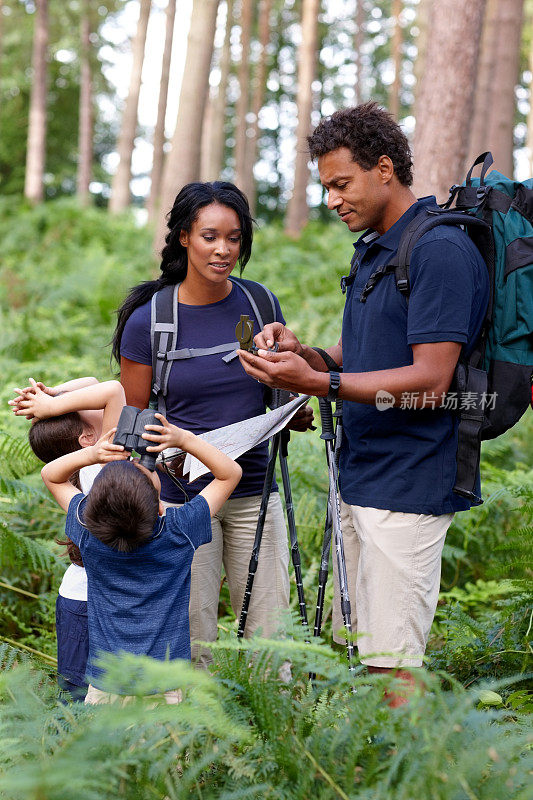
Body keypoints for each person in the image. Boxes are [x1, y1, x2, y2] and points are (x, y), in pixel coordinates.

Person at [238, 102, 490, 706]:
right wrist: (307, 356)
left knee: (394, 666)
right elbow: (366, 352)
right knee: (368, 652)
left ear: (384, 169)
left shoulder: (440, 251)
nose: (331, 199)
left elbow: (431, 380)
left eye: (340, 183)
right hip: (364, 474)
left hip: (410, 483)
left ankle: (411, 774)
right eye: (324, 186)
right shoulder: (380, 249)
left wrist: (315, 385)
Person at [112, 181, 312, 665]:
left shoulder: (260, 303)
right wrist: (143, 490)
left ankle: (275, 734)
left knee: (270, 638)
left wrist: (293, 410)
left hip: (255, 493)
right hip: (180, 500)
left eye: (235, 238)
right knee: (189, 636)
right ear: (184, 236)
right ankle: (193, 736)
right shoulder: (150, 321)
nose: (223, 249)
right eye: (209, 236)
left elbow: (276, 387)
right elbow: (134, 420)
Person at [40, 413, 242, 705]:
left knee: (109, 752)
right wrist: (183, 439)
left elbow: (50, 474)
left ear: (92, 508)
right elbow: (230, 473)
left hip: (107, 685)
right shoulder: (178, 530)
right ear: (159, 506)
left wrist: (94, 454)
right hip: (165, 687)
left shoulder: (88, 532)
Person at [10, 377, 127, 701]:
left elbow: (92, 383)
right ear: (87, 436)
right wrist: (52, 404)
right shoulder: (104, 466)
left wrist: (51, 397)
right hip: (96, 599)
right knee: (94, 691)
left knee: (75, 689)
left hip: (76, 596)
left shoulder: (78, 471)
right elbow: (111, 390)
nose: (93, 408)